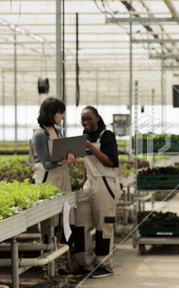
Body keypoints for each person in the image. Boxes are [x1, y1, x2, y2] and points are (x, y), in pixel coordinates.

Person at [73, 106, 122, 278]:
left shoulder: (107, 136)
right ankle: (84, 263)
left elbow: (110, 162)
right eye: (83, 119)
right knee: (80, 225)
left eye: (88, 118)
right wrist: (83, 182)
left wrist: (90, 146)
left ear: (97, 118)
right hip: (89, 184)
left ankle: (104, 265)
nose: (85, 122)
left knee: (103, 226)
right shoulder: (84, 136)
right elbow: (87, 162)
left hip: (105, 183)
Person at [28, 97, 75, 273]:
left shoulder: (57, 131)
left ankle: (61, 263)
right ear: (51, 113)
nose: (62, 116)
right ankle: (49, 266)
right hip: (48, 180)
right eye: (59, 112)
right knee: (50, 223)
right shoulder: (39, 134)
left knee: (64, 220)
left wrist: (68, 157)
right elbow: (46, 163)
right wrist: (63, 161)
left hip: (62, 179)